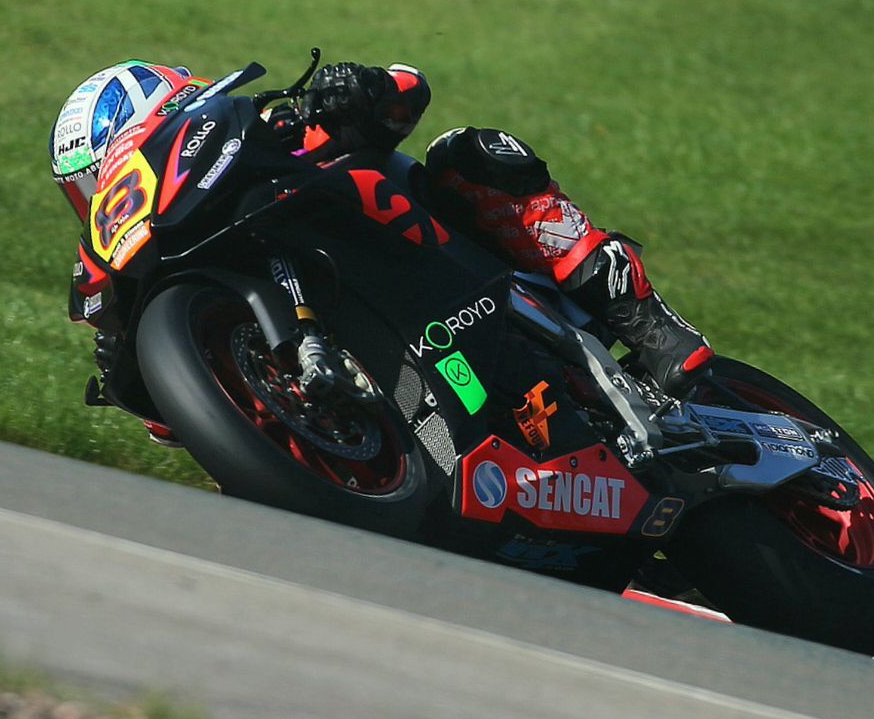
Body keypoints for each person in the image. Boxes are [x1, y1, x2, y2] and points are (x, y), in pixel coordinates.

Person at [50, 59, 714, 445]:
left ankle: (643, 319)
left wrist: (354, 94)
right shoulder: (167, 289)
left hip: (462, 272)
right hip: (413, 423)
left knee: (469, 153)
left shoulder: (280, 133)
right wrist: (128, 358)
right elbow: (185, 423)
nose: (101, 190)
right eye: (86, 186)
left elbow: (408, 87)